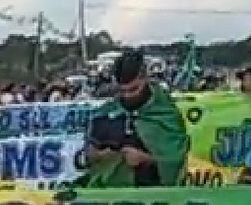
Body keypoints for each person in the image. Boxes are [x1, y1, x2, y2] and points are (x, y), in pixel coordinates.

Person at [79, 48, 188, 188]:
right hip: (110, 197)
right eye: (122, 91)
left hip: (155, 197)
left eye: (134, 89)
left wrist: (147, 160)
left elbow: (179, 161)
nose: (128, 96)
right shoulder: (106, 113)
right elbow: (87, 156)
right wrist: (96, 156)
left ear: (145, 78)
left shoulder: (165, 113)